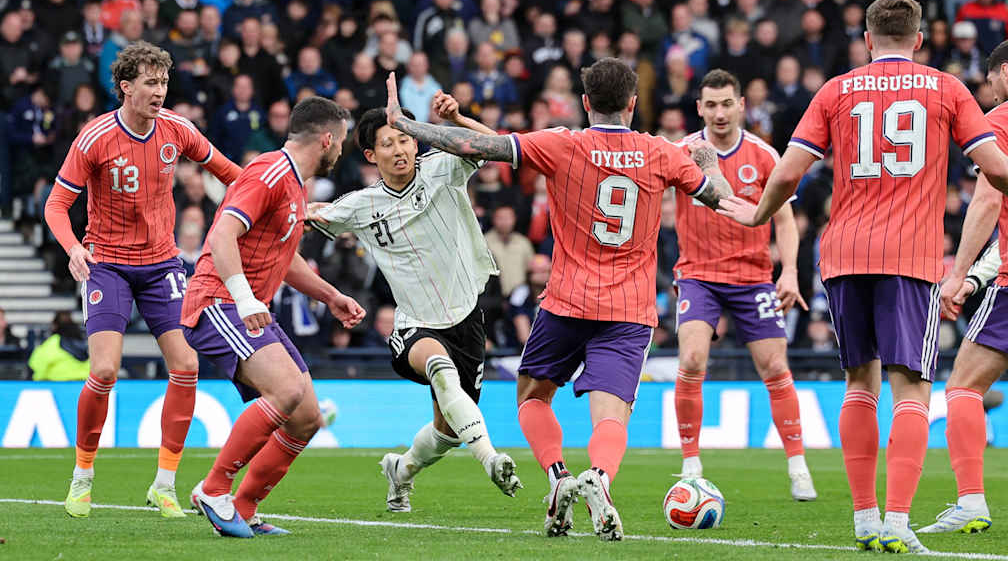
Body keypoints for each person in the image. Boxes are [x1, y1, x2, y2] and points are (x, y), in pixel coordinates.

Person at [717, 0, 1008, 554]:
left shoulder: (836, 89)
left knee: (860, 382)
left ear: (866, 39)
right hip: (908, 258)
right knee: (912, 388)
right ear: (920, 39)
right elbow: (998, 170)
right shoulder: (946, 88)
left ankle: (864, 519)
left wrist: (758, 214)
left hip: (842, 256)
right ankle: (899, 522)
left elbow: (788, 173)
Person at [382, 58, 730, 540]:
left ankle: (558, 475)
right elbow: (721, 198)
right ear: (633, 104)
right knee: (612, 413)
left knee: (532, 395)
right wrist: (709, 160)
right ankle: (600, 479)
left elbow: (477, 146)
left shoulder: (562, 143)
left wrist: (405, 125)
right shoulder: (661, 153)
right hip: (629, 309)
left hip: (566, 300)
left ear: (587, 103)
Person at [43, 40, 242, 520]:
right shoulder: (94, 139)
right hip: (107, 264)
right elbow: (55, 205)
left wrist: (271, 194)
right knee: (105, 370)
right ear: (126, 87)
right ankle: (83, 477)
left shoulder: (177, 129)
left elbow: (230, 174)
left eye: (164, 82)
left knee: (186, 365)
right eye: (151, 82)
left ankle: (165, 484)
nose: (160, 91)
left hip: (162, 266)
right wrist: (73, 248)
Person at [308, 92, 522, 513]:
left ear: (416, 140)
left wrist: (457, 117)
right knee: (440, 370)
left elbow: (495, 145)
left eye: (404, 139)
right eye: (387, 143)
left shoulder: (444, 166)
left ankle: (401, 472)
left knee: (448, 432)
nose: (399, 149)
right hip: (415, 325)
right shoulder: (359, 205)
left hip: (467, 317)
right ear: (371, 155)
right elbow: (309, 214)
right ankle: (492, 459)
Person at [184, 96, 365, 538]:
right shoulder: (268, 172)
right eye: (340, 142)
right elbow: (224, 233)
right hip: (218, 302)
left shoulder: (292, 184)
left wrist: (330, 295)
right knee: (285, 390)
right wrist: (246, 300)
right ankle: (214, 488)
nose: (341, 152)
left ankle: (243, 509)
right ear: (326, 140)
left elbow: (284, 257)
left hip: (247, 308)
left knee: (307, 417)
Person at [673, 69, 816, 501]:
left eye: (727, 103)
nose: (719, 113)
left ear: (741, 105)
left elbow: (786, 220)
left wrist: (788, 271)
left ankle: (798, 465)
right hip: (698, 273)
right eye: (711, 105)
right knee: (693, 358)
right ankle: (690, 464)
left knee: (775, 367)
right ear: (699, 108)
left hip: (753, 276)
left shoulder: (765, 155)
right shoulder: (682, 153)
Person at [921, 37, 1008, 535]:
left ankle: (971, 503)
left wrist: (960, 274)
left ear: (1005, 72)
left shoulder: (1003, 120)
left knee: (963, 385)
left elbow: (986, 202)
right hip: (1007, 271)